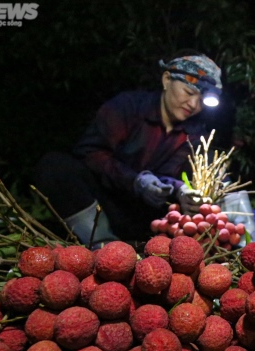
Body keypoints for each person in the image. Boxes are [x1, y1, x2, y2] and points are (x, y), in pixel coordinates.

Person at [35, 51, 222, 246]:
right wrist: (135, 181)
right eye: (189, 92)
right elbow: (90, 153)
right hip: (101, 204)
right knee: (55, 165)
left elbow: (171, 176)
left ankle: (147, 249)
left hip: (143, 217)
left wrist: (179, 190)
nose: (193, 104)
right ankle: (100, 244)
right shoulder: (129, 107)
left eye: (202, 101)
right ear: (166, 80)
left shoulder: (193, 134)